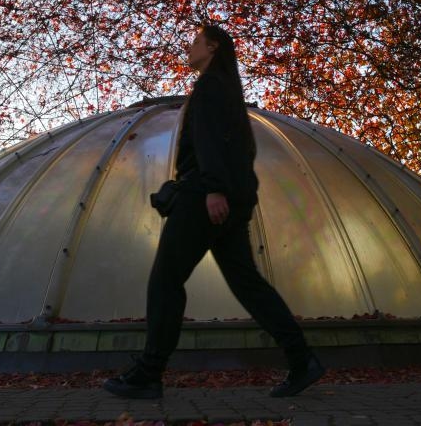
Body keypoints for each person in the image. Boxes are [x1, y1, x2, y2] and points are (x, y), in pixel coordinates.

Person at [103, 25, 325, 400]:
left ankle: (149, 372)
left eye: (194, 42)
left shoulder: (208, 87)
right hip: (230, 199)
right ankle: (302, 360)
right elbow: (241, 150)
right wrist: (230, 193)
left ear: (214, 46)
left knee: (166, 280)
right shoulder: (230, 92)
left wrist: (214, 188)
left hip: (204, 197)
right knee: (248, 285)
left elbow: (209, 141)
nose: (188, 48)